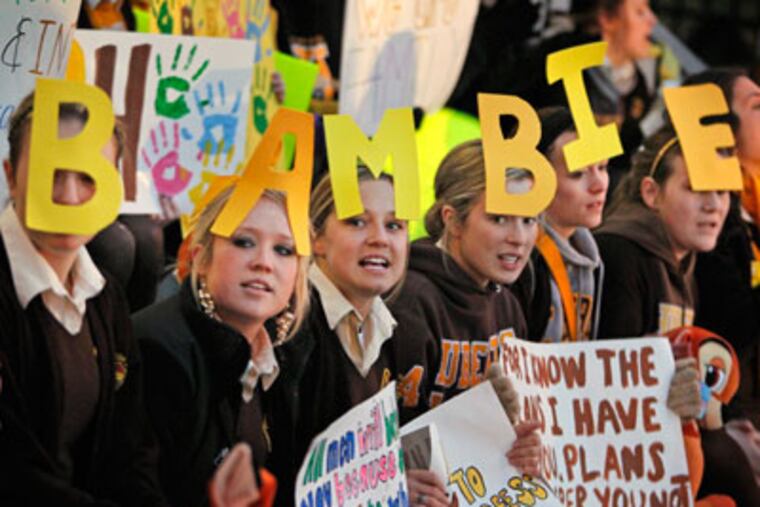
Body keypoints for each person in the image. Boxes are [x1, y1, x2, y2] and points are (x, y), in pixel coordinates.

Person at [0, 94, 166, 505]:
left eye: (89, 178)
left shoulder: (105, 297)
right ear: (11, 176)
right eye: (51, 174)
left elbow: (132, 447)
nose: (69, 196)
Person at [595, 127, 760, 503]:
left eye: (721, 192)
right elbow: (614, 382)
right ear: (652, 193)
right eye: (696, 188)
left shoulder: (684, 258)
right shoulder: (623, 253)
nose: (714, 205)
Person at [132, 185, 309, 507]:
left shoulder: (284, 356)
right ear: (200, 258)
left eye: (284, 250)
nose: (264, 263)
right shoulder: (156, 350)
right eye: (243, 242)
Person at [390, 140, 543, 506]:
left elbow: (509, 436)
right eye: (498, 218)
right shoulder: (410, 300)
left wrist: (524, 445)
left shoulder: (508, 303)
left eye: (529, 220)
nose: (519, 238)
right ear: (452, 220)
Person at [272, 168, 410, 503]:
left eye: (394, 225)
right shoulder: (288, 329)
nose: (380, 239)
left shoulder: (388, 327)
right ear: (315, 238)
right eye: (357, 222)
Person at [685, 69, 760, 489]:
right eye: (756, 106)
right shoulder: (716, 224)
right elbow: (728, 329)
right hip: (724, 417)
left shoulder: (751, 211)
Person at [514, 106, 607, 342]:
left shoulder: (595, 258)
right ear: (533, 181)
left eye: (603, 167)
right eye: (578, 173)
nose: (599, 185)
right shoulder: (519, 258)